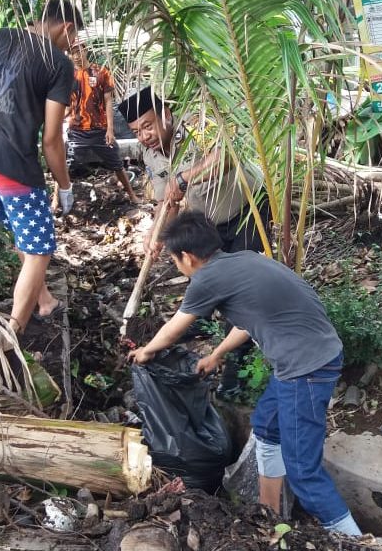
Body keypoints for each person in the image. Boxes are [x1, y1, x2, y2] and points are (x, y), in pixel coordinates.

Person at [128, 212, 363, 537]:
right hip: (304, 360)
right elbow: (247, 321)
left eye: (175, 261)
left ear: (188, 257)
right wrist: (217, 354)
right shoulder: (244, 261)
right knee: (267, 429)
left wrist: (146, 351)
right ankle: (271, 518)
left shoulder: (206, 278)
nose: (178, 268)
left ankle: (356, 541)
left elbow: (172, 331)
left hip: (306, 370)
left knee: (304, 473)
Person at [117, 86, 271, 394]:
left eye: (148, 126)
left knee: (239, 290)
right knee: (206, 279)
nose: (145, 136)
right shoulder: (151, 153)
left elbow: (228, 156)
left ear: (166, 115)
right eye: (137, 131)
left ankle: (235, 378)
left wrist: (186, 177)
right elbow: (167, 202)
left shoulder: (196, 124)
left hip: (246, 208)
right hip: (210, 223)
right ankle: (198, 324)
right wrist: (155, 235)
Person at [0, 0, 81, 332]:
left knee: (24, 235)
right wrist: (64, 185)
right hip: (10, 164)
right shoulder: (59, 64)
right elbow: (51, 138)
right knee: (39, 250)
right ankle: (12, 334)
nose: (74, 44)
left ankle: (45, 301)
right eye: (75, 36)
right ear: (66, 27)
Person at [65, 42, 139, 202]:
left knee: (117, 163)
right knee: (66, 165)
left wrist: (110, 129)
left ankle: (132, 195)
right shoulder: (67, 75)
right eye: (72, 53)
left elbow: (108, 102)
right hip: (77, 131)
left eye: (78, 51)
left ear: (85, 50)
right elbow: (67, 103)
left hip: (100, 130)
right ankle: (58, 200)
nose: (76, 56)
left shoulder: (101, 72)